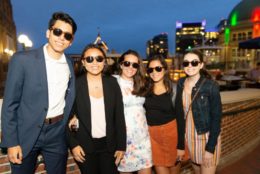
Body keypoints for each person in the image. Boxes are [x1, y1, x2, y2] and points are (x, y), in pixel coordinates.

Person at [0, 12, 77, 174]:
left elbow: (69, 95)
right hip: (25, 133)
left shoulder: (70, 64)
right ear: (48, 32)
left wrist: (72, 116)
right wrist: (11, 142)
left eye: (67, 35)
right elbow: (9, 104)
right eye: (57, 31)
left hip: (57, 133)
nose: (61, 37)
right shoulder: (22, 60)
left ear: (71, 41)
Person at [66, 44, 126, 174]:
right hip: (84, 147)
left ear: (104, 61)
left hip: (110, 147)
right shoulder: (75, 85)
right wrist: (74, 145)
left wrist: (121, 146)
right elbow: (64, 118)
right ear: (83, 62)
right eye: (89, 59)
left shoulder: (112, 83)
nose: (94, 63)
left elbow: (119, 117)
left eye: (99, 58)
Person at [175, 50, 222, 174]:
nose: (190, 66)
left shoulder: (211, 86)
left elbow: (216, 119)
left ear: (201, 65)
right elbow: (179, 114)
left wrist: (210, 149)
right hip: (189, 139)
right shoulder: (180, 83)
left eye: (194, 62)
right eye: (186, 63)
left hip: (206, 138)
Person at [144, 55, 187, 174]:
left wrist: (180, 147)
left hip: (172, 136)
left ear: (164, 69)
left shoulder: (174, 89)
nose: (154, 72)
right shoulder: (145, 89)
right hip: (153, 138)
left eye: (158, 68)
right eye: (150, 69)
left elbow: (180, 119)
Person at [115, 50, 152, 174]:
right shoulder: (113, 82)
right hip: (124, 141)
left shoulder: (142, 83)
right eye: (127, 63)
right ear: (121, 64)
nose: (130, 67)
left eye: (135, 65)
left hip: (143, 139)